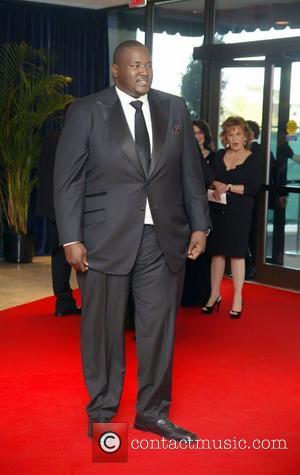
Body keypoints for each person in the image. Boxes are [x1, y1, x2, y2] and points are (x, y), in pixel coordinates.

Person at [53, 40, 211, 442]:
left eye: (149, 65)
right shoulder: (87, 110)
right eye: (135, 65)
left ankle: (153, 413)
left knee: (158, 329)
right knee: (103, 331)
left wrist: (200, 225)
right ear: (115, 70)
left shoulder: (175, 107)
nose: (144, 71)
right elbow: (68, 180)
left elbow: (190, 173)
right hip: (102, 239)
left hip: (163, 238)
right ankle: (103, 411)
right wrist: (70, 237)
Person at [203, 116, 262, 318]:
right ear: (225, 137)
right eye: (230, 134)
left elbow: (253, 188)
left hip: (240, 212)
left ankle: (237, 297)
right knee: (216, 253)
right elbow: (209, 179)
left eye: (238, 134)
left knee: (237, 254)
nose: (234, 138)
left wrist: (227, 186)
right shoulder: (219, 155)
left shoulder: (253, 158)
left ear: (245, 136)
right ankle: (214, 294)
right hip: (218, 211)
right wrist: (215, 184)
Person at [36, 130, 81, 317]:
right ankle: (91, 303)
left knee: (58, 255)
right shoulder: (75, 138)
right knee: (82, 254)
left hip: (50, 205)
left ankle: (63, 301)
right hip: (69, 206)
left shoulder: (50, 138)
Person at [181, 119, 215, 307]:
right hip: (184, 212)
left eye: (199, 132)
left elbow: (209, 178)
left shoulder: (211, 155)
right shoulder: (188, 146)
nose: (196, 135)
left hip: (195, 212)